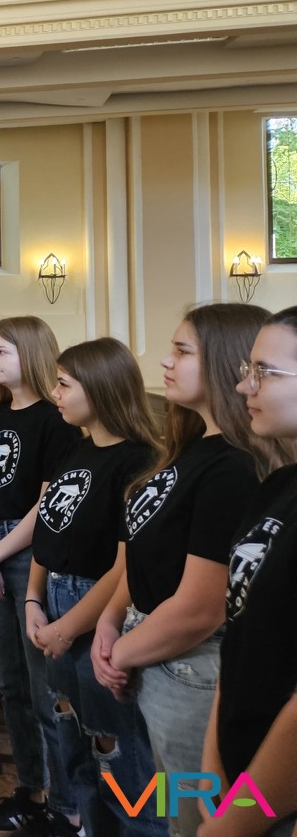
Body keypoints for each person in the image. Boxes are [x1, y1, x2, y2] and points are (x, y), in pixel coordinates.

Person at [93, 304, 275, 837]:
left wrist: (121, 651)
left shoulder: (234, 466)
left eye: (182, 351)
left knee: (198, 819)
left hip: (192, 664)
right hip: (153, 644)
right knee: (173, 804)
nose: (165, 362)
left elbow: (202, 605)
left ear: (226, 362)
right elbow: (146, 548)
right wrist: (110, 617)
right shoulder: (194, 447)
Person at [24, 339, 165, 837]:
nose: (55, 393)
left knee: (116, 747)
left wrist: (67, 627)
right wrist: (33, 598)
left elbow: (125, 567)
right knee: (72, 736)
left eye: (64, 384)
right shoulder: (76, 449)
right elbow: (49, 531)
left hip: (99, 609)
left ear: (101, 388)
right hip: (55, 600)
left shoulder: (138, 460)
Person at [0, 316, 82, 834]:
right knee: (9, 681)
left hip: (28, 551)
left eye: (1, 351)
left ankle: (65, 803)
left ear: (30, 354)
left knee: (43, 688)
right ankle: (31, 790)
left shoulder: (55, 420)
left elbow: (47, 502)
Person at [209, 306, 297, 837]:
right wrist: (216, 769)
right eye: (248, 369)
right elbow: (240, 636)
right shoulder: (279, 486)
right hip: (239, 770)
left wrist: (235, 823)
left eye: (264, 371)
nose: (244, 385)